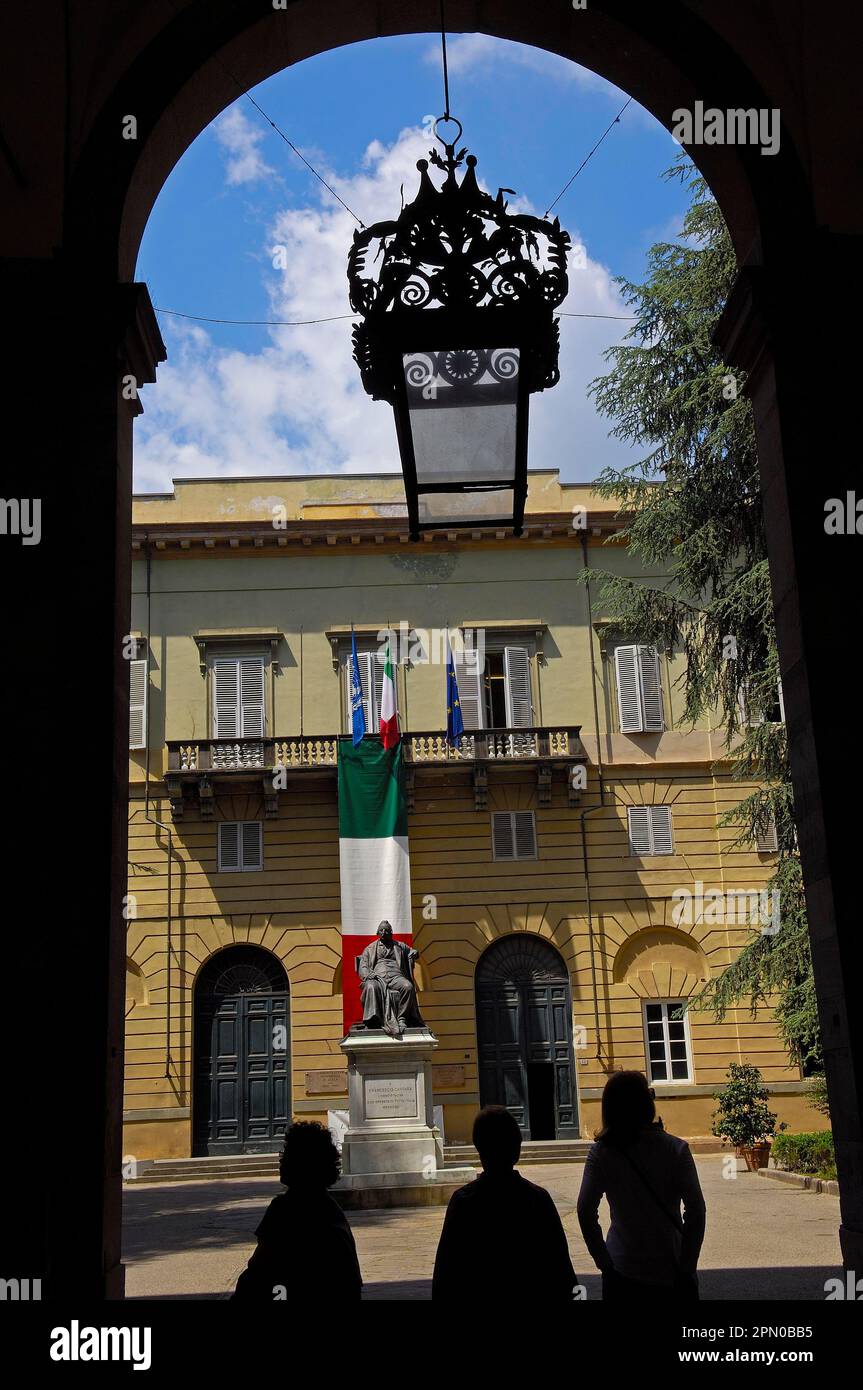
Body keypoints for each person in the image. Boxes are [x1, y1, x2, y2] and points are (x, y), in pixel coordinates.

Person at [576, 1071, 706, 1302]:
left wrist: (604, 1262)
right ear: (647, 1104)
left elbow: (585, 1212)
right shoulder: (676, 1149)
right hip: (671, 1265)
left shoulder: (602, 1153)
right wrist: (687, 1265)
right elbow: (696, 1211)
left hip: (622, 1266)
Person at [432, 1105, 578, 1301]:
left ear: (478, 1148)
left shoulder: (464, 1202)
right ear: (517, 1147)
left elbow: (446, 1272)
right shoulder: (537, 1199)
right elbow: (560, 1268)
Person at [231, 1121, 362, 1302]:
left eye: (287, 1154)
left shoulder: (286, 1210)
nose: (281, 1159)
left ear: (297, 1163)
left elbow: (259, 1273)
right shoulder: (331, 1210)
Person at [356, 919, 424, 1036]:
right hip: (378, 978)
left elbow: (413, 951)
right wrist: (368, 975)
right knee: (371, 986)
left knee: (408, 987)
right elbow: (363, 965)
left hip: (396, 977)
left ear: (391, 932)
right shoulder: (370, 948)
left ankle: (402, 1018)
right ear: (377, 932)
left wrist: (415, 953)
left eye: (386, 930)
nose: (384, 932)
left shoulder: (399, 945)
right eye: (381, 930)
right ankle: (373, 1019)